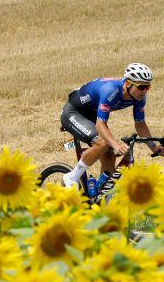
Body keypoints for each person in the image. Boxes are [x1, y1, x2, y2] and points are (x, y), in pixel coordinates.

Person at [61, 62, 162, 192]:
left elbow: (140, 124)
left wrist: (154, 147)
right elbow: (100, 124)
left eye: (147, 87)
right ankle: (72, 177)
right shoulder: (111, 91)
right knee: (103, 143)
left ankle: (101, 196)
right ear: (128, 83)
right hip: (73, 112)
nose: (144, 91)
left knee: (109, 155)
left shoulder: (139, 97)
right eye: (142, 86)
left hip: (92, 113)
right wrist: (116, 145)